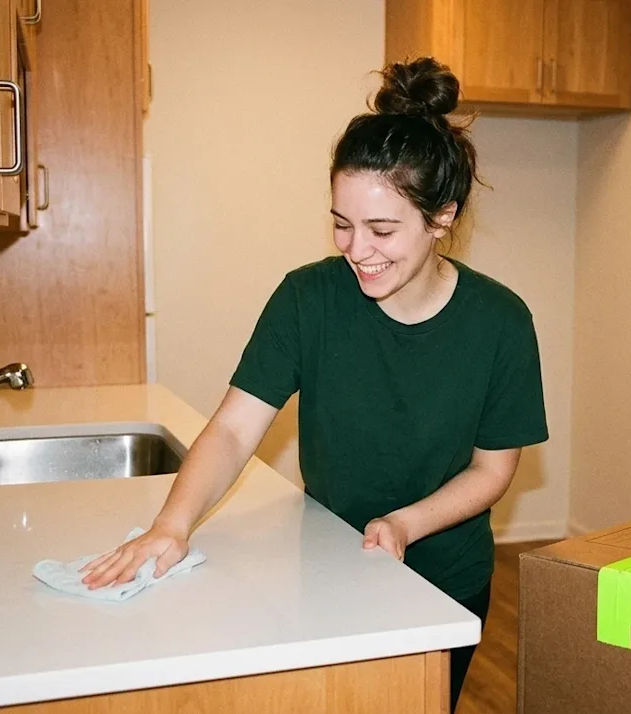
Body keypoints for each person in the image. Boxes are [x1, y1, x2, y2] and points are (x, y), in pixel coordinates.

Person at [81, 56, 548, 711]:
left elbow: (493, 470)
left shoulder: (500, 321)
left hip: (447, 577)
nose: (358, 249)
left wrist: (404, 525)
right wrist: (171, 524)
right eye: (342, 223)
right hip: (328, 564)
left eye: (383, 229)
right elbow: (235, 428)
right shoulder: (308, 299)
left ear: (442, 217)